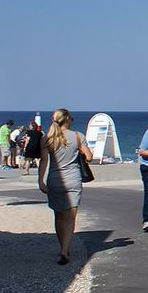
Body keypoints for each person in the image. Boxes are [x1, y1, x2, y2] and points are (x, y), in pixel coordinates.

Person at [38, 108, 93, 264]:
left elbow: (44, 161)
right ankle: (65, 250)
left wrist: (40, 181)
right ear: (68, 119)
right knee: (71, 216)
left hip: (55, 179)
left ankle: (63, 247)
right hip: (73, 179)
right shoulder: (77, 136)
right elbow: (89, 156)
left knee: (59, 215)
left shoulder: (47, 138)